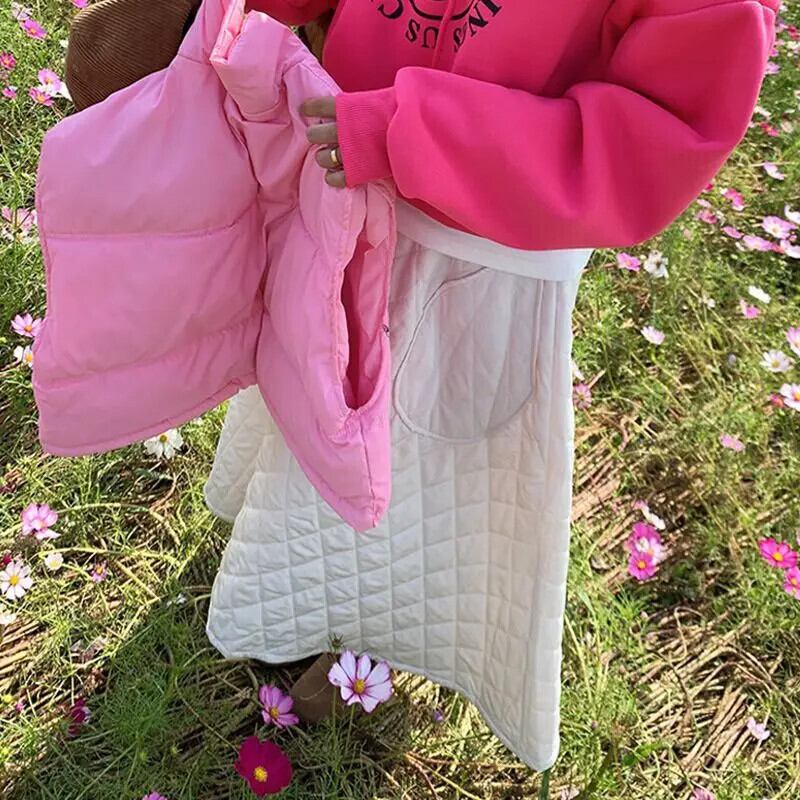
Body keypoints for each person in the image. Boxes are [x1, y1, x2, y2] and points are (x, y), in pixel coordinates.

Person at [204, 0, 777, 768]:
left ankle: (368, 643)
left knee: (429, 481)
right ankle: (292, 576)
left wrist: (410, 132)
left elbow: (654, 137)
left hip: (483, 249)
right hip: (347, 183)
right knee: (314, 399)